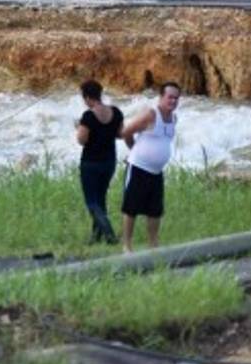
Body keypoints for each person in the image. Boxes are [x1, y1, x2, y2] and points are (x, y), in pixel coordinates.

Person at [120, 81, 181, 253]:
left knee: (155, 211)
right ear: (161, 97)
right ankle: (127, 246)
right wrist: (134, 150)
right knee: (130, 208)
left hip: (156, 172)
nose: (173, 101)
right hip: (139, 167)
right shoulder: (150, 114)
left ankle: (153, 245)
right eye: (170, 97)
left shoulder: (173, 119)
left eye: (176, 99)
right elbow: (126, 132)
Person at [75, 79, 123, 244]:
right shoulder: (116, 112)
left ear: (88, 98)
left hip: (90, 163)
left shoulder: (88, 116)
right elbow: (119, 134)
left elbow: (81, 140)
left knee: (91, 201)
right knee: (101, 198)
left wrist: (78, 127)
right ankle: (95, 237)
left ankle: (109, 234)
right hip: (109, 161)